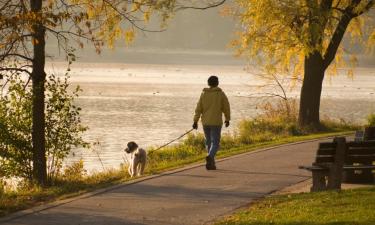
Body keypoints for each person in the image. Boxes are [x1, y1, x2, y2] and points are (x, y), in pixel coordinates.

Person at [192, 75, 230, 170]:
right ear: (217, 83)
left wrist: (195, 121)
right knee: (215, 142)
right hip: (216, 122)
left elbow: (198, 108)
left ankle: (211, 164)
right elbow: (226, 107)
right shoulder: (220, 94)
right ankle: (210, 156)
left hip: (205, 122)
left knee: (209, 142)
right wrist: (227, 119)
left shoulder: (204, 94)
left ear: (208, 83)